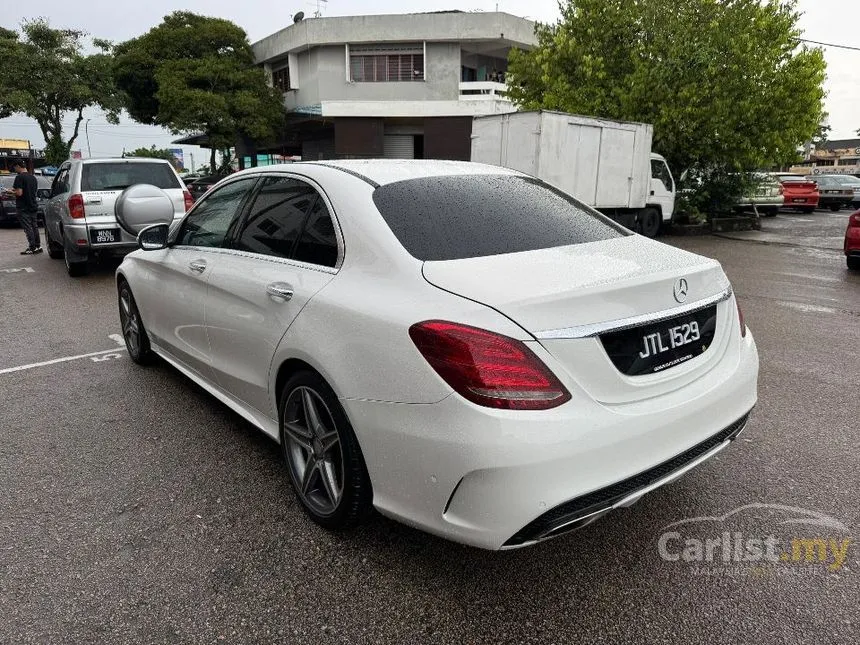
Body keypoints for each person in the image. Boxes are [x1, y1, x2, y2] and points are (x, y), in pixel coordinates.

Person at [9, 159, 41, 255]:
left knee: (28, 228)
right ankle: (38, 246)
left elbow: (19, 193)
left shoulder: (19, 177)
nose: (15, 170)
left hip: (23, 207)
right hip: (33, 205)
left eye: (15, 168)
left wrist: (10, 192)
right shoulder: (33, 178)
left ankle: (32, 247)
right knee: (34, 226)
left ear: (18, 166)